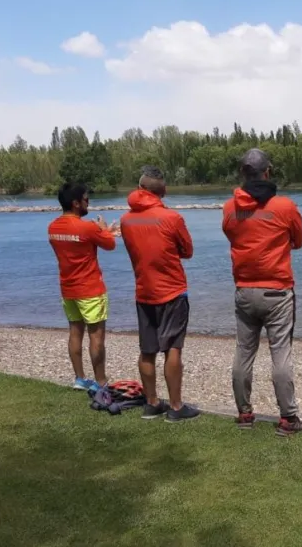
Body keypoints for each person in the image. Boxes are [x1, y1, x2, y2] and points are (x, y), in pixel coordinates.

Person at [222, 148, 302, 436]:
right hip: (277, 291)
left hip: (245, 289)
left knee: (244, 352)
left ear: (243, 175)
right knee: (280, 353)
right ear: (267, 172)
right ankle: (288, 418)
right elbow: (298, 240)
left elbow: (232, 234)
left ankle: (244, 413)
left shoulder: (229, 209)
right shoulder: (285, 207)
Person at [120, 166, 200, 423]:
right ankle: (175, 407)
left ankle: (152, 403)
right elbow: (187, 251)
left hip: (143, 292)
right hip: (171, 291)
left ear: (140, 188)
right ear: (161, 190)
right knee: (173, 348)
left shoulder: (126, 220)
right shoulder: (171, 218)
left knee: (147, 349)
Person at [47, 182, 118, 392]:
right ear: (76, 203)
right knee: (96, 337)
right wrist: (105, 230)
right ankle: (101, 381)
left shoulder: (53, 227)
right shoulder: (88, 227)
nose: (89, 203)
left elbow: (89, 240)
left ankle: (79, 378)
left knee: (75, 332)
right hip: (90, 289)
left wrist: (104, 233)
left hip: (68, 288)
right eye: (86, 199)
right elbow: (110, 245)